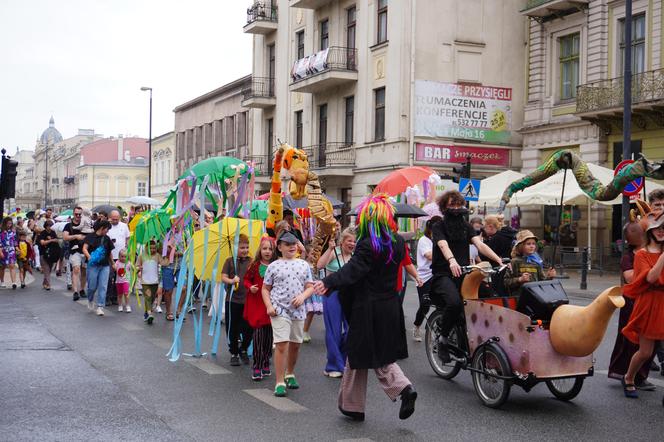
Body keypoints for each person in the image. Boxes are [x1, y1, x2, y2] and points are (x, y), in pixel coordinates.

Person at [313, 194, 417, 422]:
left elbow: (353, 271)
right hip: (390, 306)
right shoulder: (398, 241)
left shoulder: (368, 244)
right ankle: (353, 406)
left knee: (366, 355)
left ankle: (401, 390)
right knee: (367, 355)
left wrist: (327, 282)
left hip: (368, 308)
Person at [429, 190, 503, 363]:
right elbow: (443, 245)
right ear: (444, 207)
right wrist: (452, 261)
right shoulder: (438, 226)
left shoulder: (467, 226)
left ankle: (480, 339)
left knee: (489, 297)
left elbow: (480, 245)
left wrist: (498, 260)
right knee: (454, 303)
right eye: (451, 205)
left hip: (464, 273)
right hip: (443, 274)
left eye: (458, 204)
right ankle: (443, 339)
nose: (455, 208)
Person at [262, 231, 314, 397]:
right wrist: (269, 306)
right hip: (279, 309)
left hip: (298, 310)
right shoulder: (273, 266)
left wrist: (302, 296)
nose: (292, 247)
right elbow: (265, 288)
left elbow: (310, 286)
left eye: (294, 244)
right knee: (282, 344)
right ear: (279, 247)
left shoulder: (303, 265)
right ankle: (279, 382)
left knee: (295, 344)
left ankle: (290, 373)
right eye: (287, 244)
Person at [607, 221, 655, 390]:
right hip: (633, 303)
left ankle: (641, 375)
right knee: (629, 341)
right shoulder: (630, 257)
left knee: (650, 343)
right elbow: (631, 278)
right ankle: (628, 375)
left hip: (652, 302)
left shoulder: (654, 252)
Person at [621, 210, 664, 398]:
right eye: (658, 228)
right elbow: (651, 277)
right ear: (650, 232)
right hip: (649, 303)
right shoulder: (641, 254)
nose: (662, 231)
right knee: (646, 352)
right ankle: (629, 377)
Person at [317, 227, 356, 378]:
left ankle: (342, 360)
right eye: (349, 241)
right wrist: (329, 249)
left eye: (354, 241)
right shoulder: (335, 252)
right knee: (333, 331)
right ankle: (333, 365)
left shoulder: (355, 256)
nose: (352, 244)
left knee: (351, 330)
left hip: (350, 295)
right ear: (342, 241)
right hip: (332, 294)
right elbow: (320, 265)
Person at [243, 236, 277, 381]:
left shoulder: (277, 265)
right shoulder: (255, 265)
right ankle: (256, 365)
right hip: (257, 304)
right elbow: (246, 279)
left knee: (269, 337)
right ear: (260, 250)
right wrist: (250, 287)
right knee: (258, 336)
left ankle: (265, 361)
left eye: (270, 249)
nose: (267, 251)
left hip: (272, 304)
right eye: (264, 248)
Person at [221, 234, 254, 366]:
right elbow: (223, 277)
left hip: (248, 301)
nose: (245, 250)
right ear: (235, 248)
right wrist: (231, 280)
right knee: (232, 327)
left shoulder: (251, 261)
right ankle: (234, 352)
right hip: (232, 300)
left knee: (248, 327)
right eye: (242, 247)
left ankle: (244, 348)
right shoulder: (229, 261)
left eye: (247, 247)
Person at [412, 216, 441, 342]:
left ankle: (439, 331)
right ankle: (417, 326)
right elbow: (429, 255)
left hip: (437, 275)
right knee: (425, 305)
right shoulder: (424, 240)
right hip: (424, 277)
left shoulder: (439, 239)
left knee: (441, 304)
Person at [504, 230, 556, 297]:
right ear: (521, 246)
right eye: (528, 244)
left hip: (535, 296)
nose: (532, 246)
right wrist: (520, 279)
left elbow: (541, 281)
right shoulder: (515, 262)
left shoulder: (536, 262)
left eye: (533, 244)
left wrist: (549, 277)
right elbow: (506, 282)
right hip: (520, 297)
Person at [82, 220, 114, 316]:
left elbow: (110, 253)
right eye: (107, 229)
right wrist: (89, 256)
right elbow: (84, 248)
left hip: (104, 266)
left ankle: (100, 306)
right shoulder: (90, 237)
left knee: (103, 286)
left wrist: (113, 263)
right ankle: (90, 299)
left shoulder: (107, 239)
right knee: (92, 286)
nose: (107, 231)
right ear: (102, 228)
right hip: (93, 265)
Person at [63, 207, 89, 301]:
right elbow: (65, 237)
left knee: (84, 271)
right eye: (76, 214)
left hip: (85, 250)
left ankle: (82, 289)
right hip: (74, 251)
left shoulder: (86, 224)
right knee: (76, 269)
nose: (78, 216)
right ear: (73, 214)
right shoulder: (68, 225)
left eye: (79, 214)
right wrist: (76, 236)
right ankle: (75, 292)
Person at [107, 210, 130, 306]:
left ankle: (115, 297)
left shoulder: (124, 226)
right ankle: (107, 297)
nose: (115, 221)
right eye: (113, 219)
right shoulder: (107, 227)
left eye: (117, 219)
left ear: (119, 218)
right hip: (110, 255)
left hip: (122, 257)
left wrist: (127, 249)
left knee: (120, 277)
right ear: (110, 218)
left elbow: (127, 238)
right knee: (110, 277)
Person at [138, 241, 160, 325]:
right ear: (146, 247)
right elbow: (136, 265)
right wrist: (139, 269)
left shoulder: (157, 256)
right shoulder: (141, 256)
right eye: (150, 248)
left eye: (154, 248)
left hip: (154, 281)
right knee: (148, 296)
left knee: (152, 298)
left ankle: (146, 312)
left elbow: (163, 262)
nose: (152, 249)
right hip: (145, 281)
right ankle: (150, 314)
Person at [36, 220, 61, 291]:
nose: (50, 227)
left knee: (49, 269)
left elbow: (57, 240)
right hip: (43, 254)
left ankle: (45, 283)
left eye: (51, 226)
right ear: (46, 226)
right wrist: (51, 240)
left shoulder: (53, 232)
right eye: (49, 226)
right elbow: (42, 242)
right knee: (46, 269)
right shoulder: (42, 233)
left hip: (52, 254)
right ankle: (48, 284)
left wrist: (55, 240)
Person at [159, 244, 177, 321]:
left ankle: (179, 311)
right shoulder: (164, 235)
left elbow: (189, 248)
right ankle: (168, 311)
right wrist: (166, 250)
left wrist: (176, 253)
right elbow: (160, 251)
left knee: (183, 288)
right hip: (167, 266)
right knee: (169, 290)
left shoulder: (186, 232)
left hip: (181, 266)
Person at [0, 217, 18, 289]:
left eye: (10, 223)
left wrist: (17, 248)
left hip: (11, 250)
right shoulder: (1, 232)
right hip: (3, 250)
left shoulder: (13, 232)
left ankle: (14, 282)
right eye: (8, 223)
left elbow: (15, 241)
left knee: (12, 266)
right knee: (2, 267)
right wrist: (0, 251)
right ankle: (2, 281)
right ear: (5, 223)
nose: (9, 225)